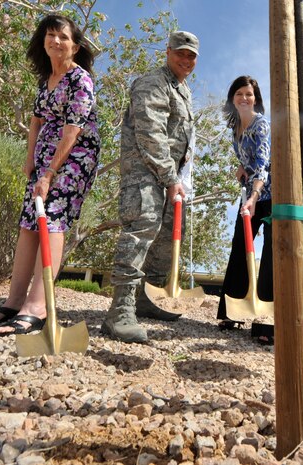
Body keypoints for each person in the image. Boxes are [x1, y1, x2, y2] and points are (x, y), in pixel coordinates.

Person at [0, 14, 100, 336]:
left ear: (75, 45)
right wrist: (30, 159)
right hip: (45, 155)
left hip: (74, 156)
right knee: (29, 223)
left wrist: (50, 172)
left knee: (52, 218)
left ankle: (38, 306)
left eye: (63, 37)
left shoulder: (80, 79)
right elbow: (36, 121)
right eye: (50, 35)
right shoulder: (45, 81)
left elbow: (73, 129)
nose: (55, 41)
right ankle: (14, 302)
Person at [102, 31, 200, 343]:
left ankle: (143, 300)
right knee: (141, 229)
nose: (185, 60)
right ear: (168, 51)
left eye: (191, 56)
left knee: (163, 238)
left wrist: (177, 179)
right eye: (180, 53)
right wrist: (170, 178)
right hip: (144, 172)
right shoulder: (153, 82)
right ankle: (119, 311)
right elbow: (150, 132)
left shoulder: (181, 89)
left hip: (166, 175)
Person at [215, 76, 274, 343]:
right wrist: (242, 168)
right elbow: (248, 162)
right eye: (239, 93)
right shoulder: (235, 127)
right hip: (250, 194)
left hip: (269, 195)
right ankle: (232, 312)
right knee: (240, 246)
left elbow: (263, 162)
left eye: (249, 94)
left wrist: (254, 194)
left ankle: (267, 321)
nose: (244, 98)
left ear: (255, 98)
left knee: (271, 254)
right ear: (233, 98)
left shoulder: (261, 124)